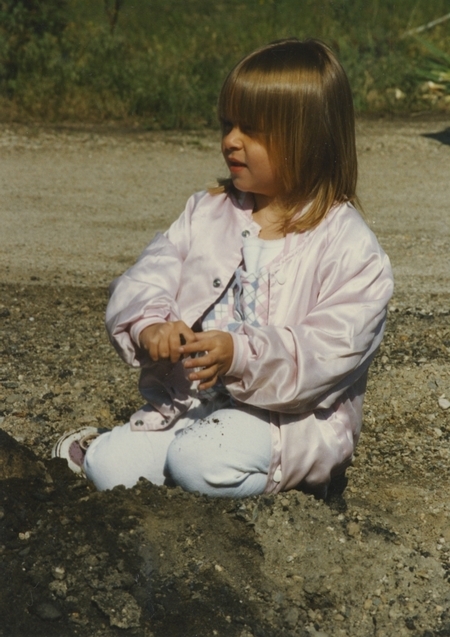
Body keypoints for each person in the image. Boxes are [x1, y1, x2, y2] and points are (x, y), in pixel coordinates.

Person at [53, 38, 393, 498]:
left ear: (309, 139)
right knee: (110, 467)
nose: (230, 141)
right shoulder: (207, 212)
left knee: (199, 461)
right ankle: (127, 454)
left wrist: (239, 353)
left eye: (250, 130)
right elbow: (149, 273)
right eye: (226, 124)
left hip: (288, 425)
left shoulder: (351, 248)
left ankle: (289, 487)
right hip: (195, 407)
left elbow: (326, 352)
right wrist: (149, 324)